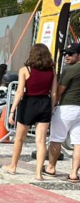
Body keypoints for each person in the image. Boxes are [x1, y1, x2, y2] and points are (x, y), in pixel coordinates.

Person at [2, 44, 58, 181]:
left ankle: (13, 166)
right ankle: (38, 173)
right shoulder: (51, 70)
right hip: (44, 103)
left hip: (28, 104)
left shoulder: (25, 70)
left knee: (19, 139)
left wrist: (12, 110)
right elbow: (54, 93)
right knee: (41, 141)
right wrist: (50, 108)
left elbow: (20, 92)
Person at [44, 43, 80, 182]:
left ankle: (51, 168)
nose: (67, 56)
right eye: (65, 53)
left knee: (56, 139)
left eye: (71, 54)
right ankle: (74, 173)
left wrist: (51, 107)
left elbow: (59, 91)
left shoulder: (70, 69)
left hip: (67, 107)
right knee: (78, 142)